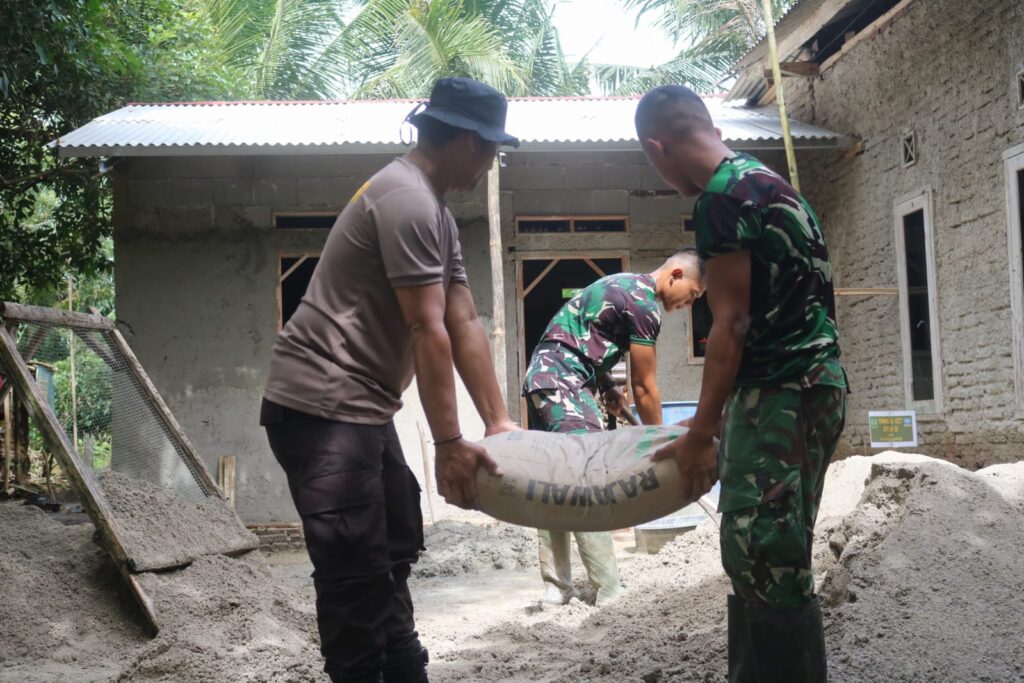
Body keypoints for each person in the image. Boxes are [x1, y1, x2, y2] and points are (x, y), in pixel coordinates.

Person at [260, 77, 520, 683]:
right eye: (489, 150)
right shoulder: (406, 199)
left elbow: (463, 319)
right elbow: (426, 327)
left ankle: (405, 670)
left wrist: (499, 422)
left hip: (362, 410)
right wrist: (449, 443)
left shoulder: (436, 211)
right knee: (354, 576)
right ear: (465, 139)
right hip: (321, 408)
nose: (489, 164)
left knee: (394, 552)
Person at [636, 85, 847, 682]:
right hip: (814, 388)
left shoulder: (722, 199)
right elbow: (785, 313)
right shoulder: (773, 186)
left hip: (780, 395)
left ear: (657, 146)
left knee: (763, 559)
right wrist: (721, 417)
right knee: (776, 554)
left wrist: (703, 432)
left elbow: (731, 323)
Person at [521, 252, 706, 606]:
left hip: (545, 379)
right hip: (565, 384)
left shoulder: (622, 285)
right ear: (676, 275)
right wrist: (661, 440)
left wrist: (607, 386)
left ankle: (557, 589)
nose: (689, 305)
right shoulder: (645, 306)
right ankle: (609, 592)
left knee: (556, 481)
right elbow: (645, 387)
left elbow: (580, 336)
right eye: (693, 294)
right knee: (588, 479)